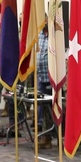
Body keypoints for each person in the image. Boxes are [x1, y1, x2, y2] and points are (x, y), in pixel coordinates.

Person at [36, 17, 53, 149]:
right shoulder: (39, 35)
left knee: (53, 108)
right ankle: (45, 137)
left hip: (52, 78)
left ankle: (54, 136)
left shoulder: (54, 35)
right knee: (42, 108)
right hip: (40, 77)